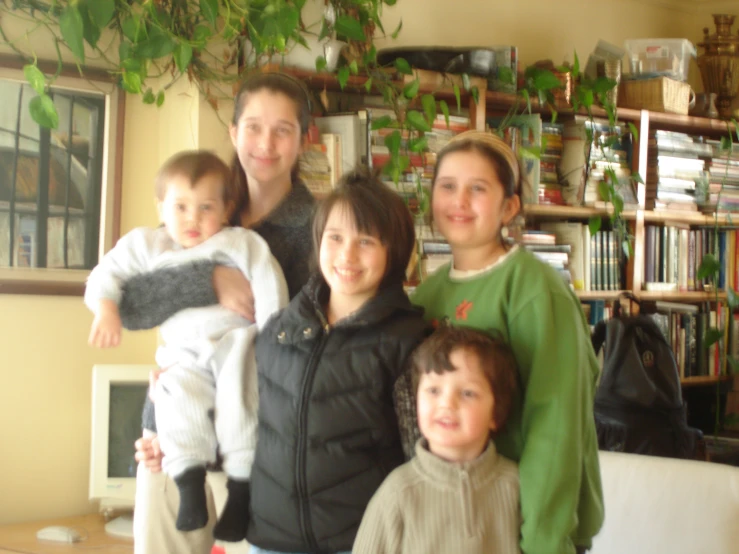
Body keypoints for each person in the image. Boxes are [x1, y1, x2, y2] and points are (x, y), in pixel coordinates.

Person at [122, 72, 317, 553]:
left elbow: (300, 351)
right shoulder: (196, 204)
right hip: (172, 436)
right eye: (253, 127)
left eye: (282, 130)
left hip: (252, 444)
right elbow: (131, 304)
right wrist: (209, 279)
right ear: (233, 132)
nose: (265, 144)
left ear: (305, 139)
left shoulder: (318, 231)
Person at [407, 130, 604, 554]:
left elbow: (556, 425)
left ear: (509, 206)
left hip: (525, 527)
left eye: (477, 189)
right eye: (447, 187)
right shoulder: (428, 294)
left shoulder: (534, 289)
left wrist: (543, 541)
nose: (459, 201)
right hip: (454, 526)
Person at [85, 150, 288, 534]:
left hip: (238, 347)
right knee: (177, 400)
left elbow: (270, 286)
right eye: (180, 207)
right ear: (161, 207)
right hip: (182, 358)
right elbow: (105, 276)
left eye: (205, 207)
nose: (192, 218)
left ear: (227, 209)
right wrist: (106, 310)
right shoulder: (148, 244)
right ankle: (189, 484)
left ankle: (240, 491)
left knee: (240, 409)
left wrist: (271, 338)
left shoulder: (241, 243)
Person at [244, 167, 429, 553]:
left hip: (363, 541)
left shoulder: (408, 341)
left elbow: (421, 457)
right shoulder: (279, 329)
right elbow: (240, 415)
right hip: (271, 538)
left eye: (366, 241)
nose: (347, 254)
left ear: (393, 252)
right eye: (335, 237)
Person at [353, 325, 521, 554]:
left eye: (467, 393)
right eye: (433, 390)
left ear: (496, 413)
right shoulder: (397, 494)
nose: (447, 404)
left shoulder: (517, 486)